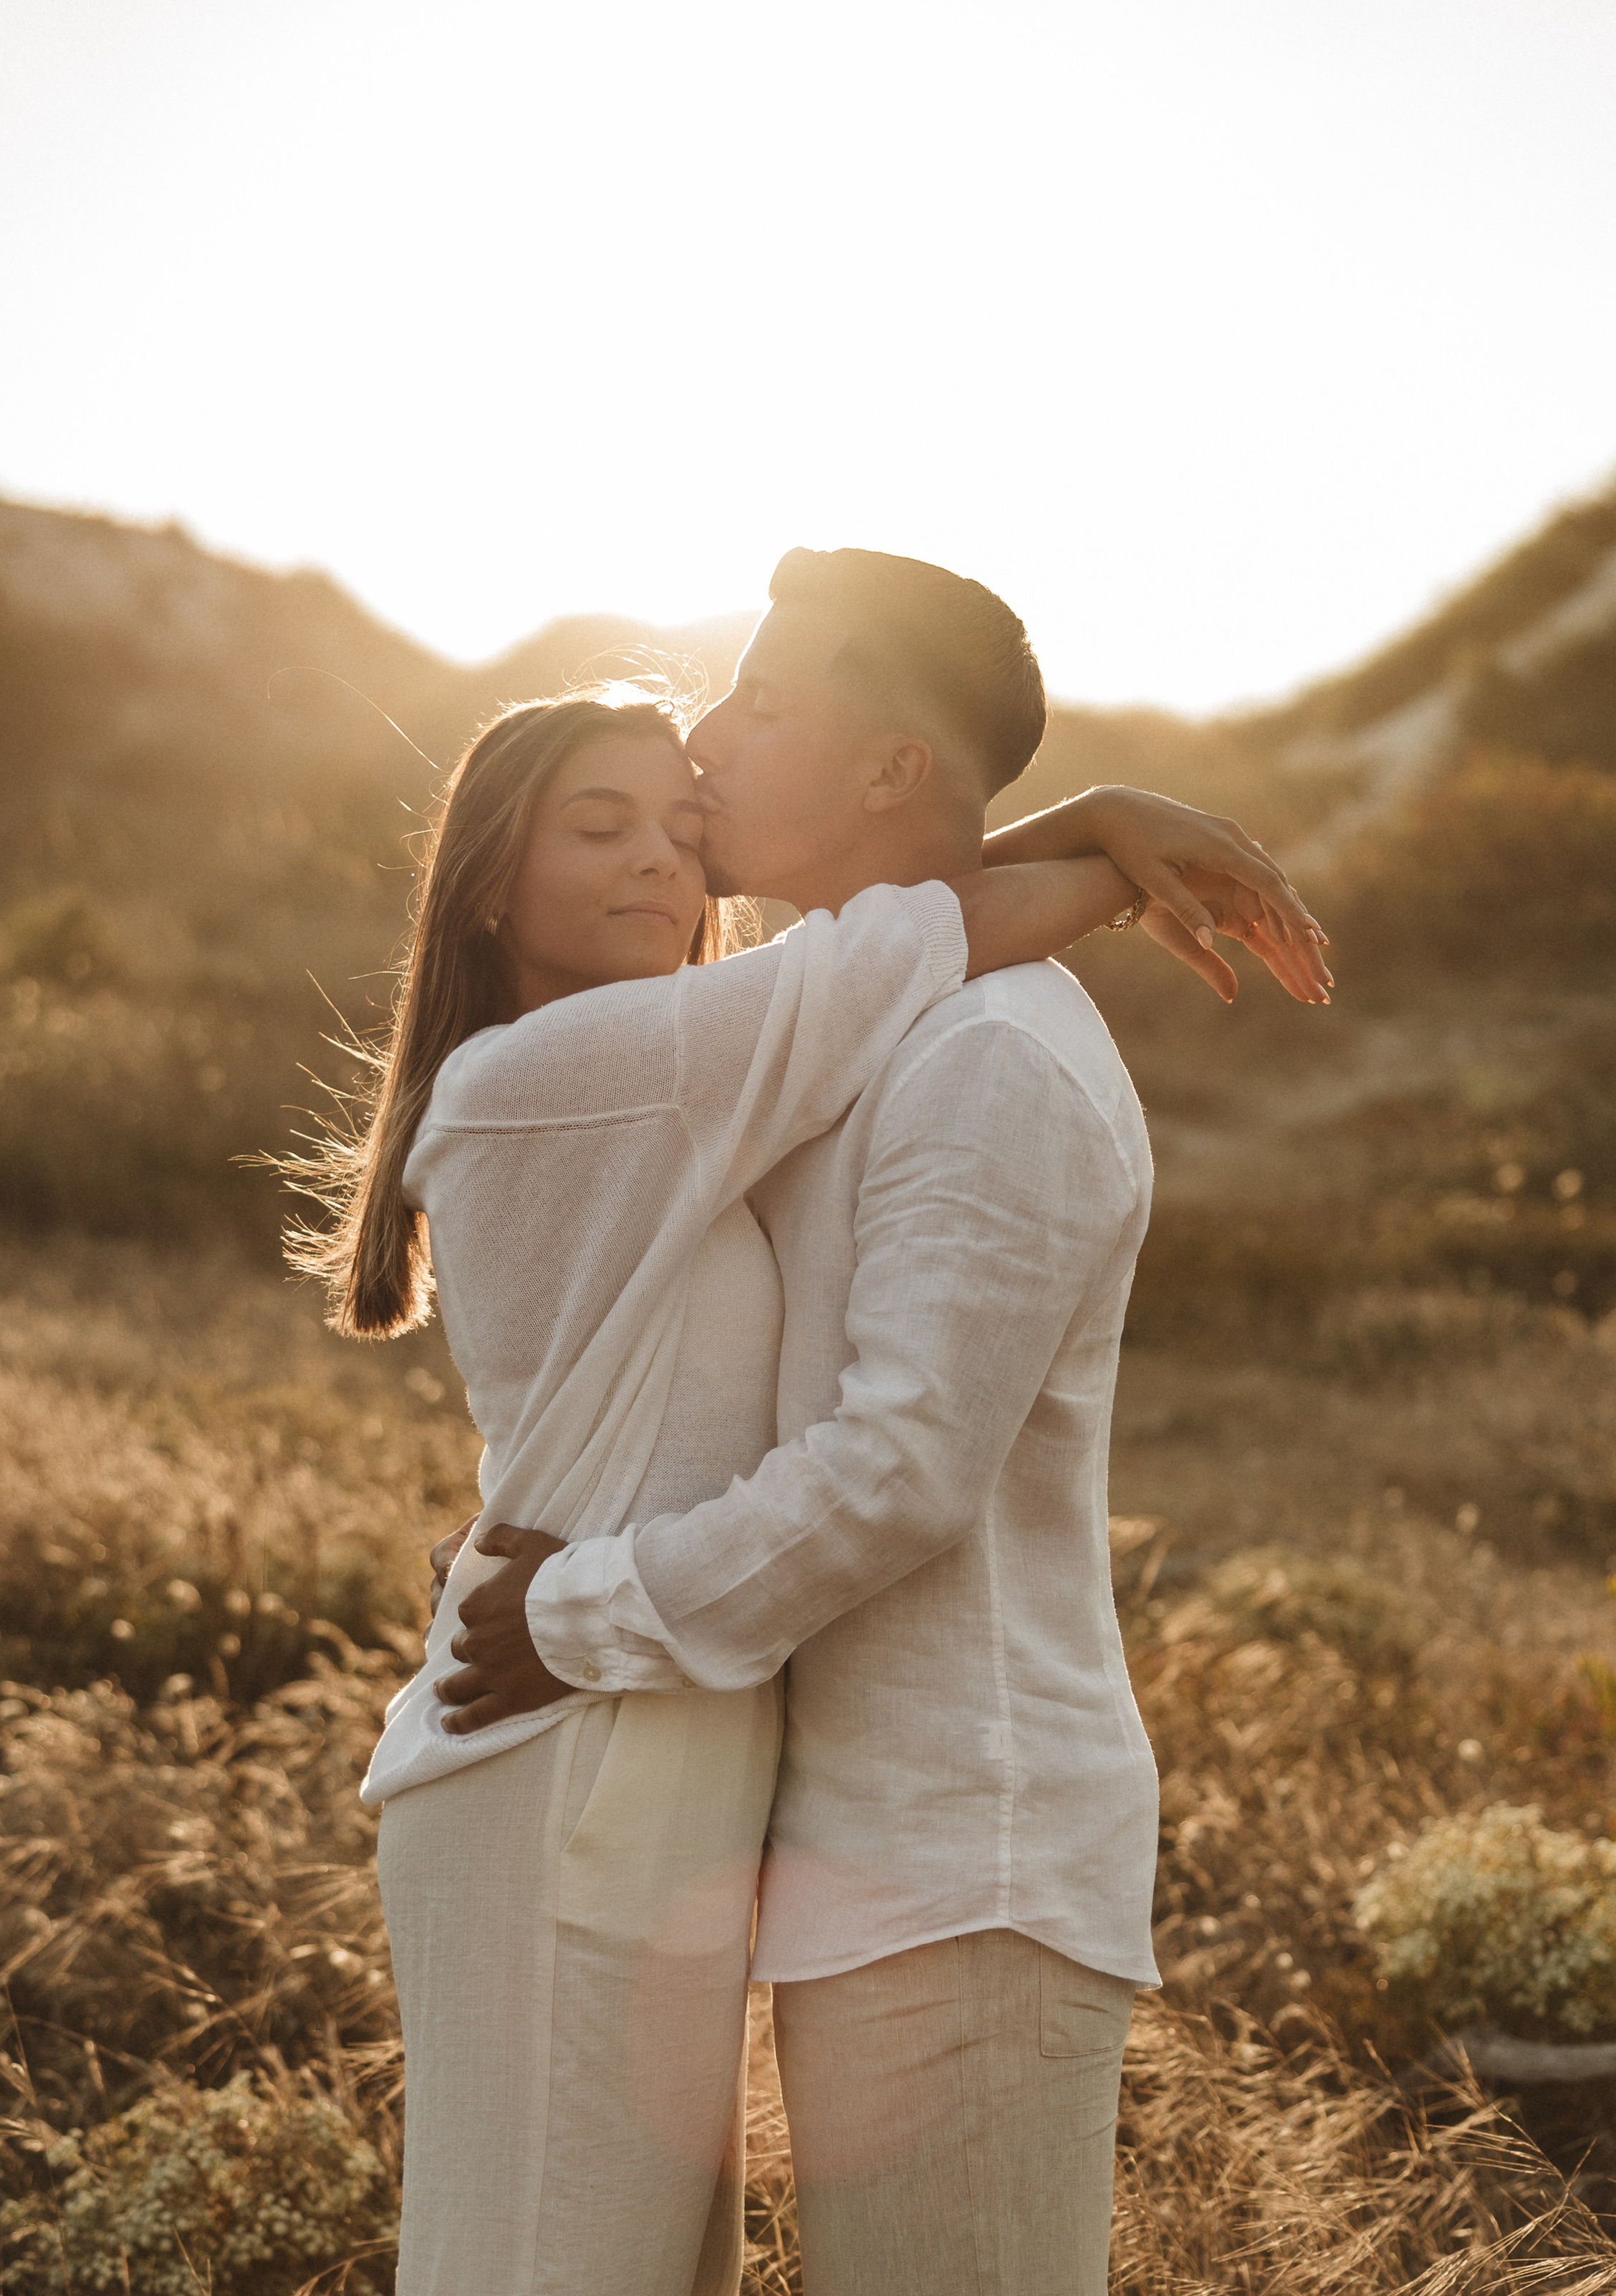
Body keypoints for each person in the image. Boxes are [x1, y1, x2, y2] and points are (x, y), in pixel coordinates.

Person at [432, 548, 1330, 2296]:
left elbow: (896, 1473)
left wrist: (569, 1608)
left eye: (763, 704)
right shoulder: (859, 1015)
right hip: (847, 1850)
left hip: (967, 1859)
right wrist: (1080, 824)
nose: (709, 732)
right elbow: (879, 931)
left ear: (885, 773)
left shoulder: (984, 1055)